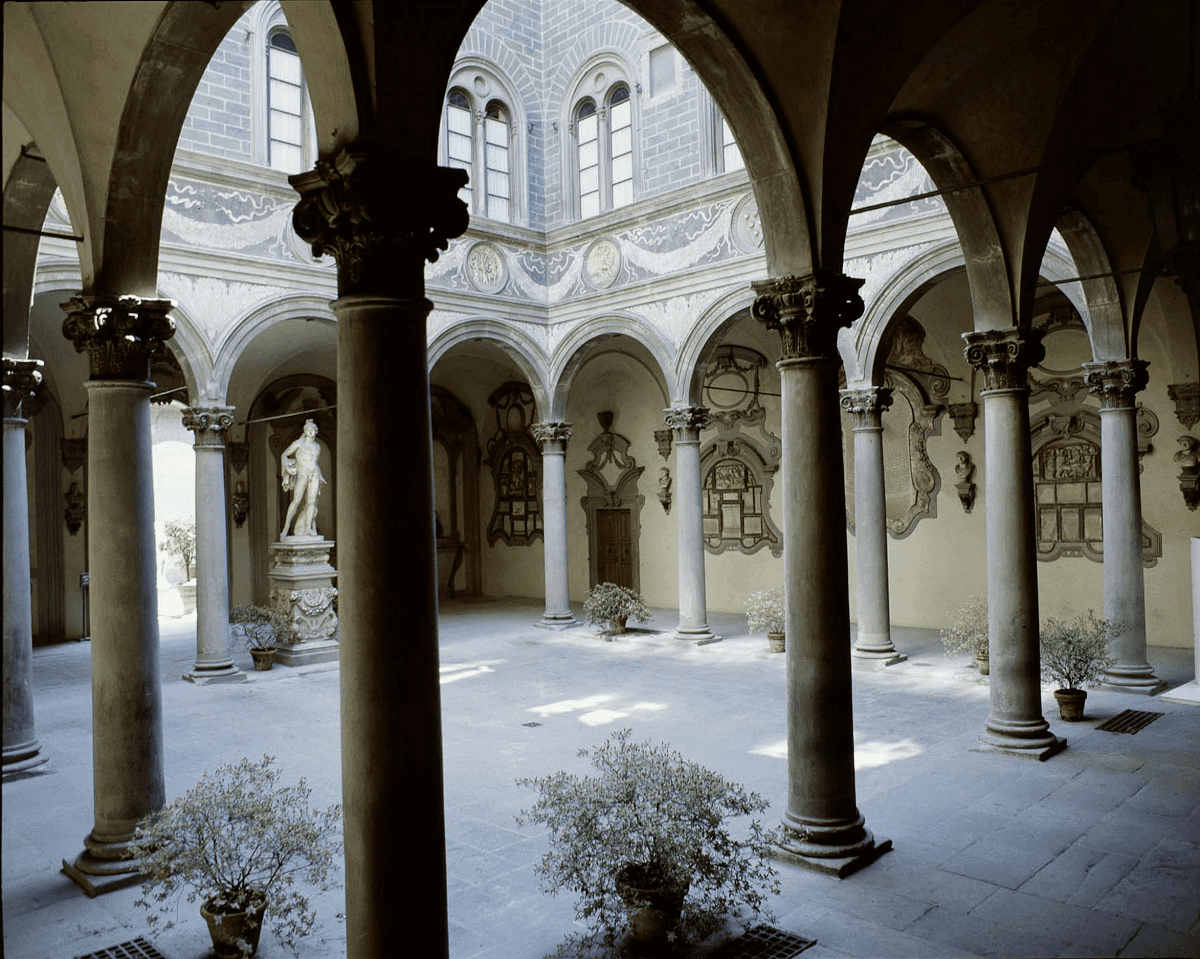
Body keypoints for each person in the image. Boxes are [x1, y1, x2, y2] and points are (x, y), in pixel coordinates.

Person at [280, 419, 326, 538]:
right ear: (305, 432)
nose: (310, 431)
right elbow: (284, 455)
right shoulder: (299, 443)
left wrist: (319, 475)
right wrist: (288, 466)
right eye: (308, 429)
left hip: (314, 473)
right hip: (302, 473)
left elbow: (315, 462)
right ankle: (286, 527)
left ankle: (309, 528)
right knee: (296, 500)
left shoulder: (317, 446)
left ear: (316, 431)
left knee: (312, 502)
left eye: (313, 429)